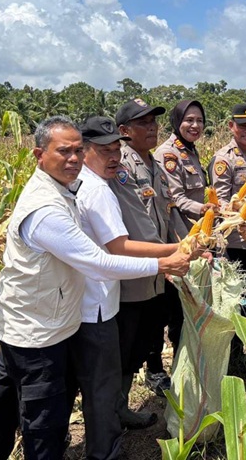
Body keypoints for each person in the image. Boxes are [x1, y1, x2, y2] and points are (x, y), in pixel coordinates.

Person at [0, 116, 190, 460]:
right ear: (39, 154)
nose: (73, 158)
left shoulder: (66, 189)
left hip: (31, 322)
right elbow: (99, 261)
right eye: (65, 151)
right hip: (37, 332)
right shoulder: (47, 209)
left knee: (4, 410)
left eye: (78, 150)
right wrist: (164, 262)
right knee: (44, 422)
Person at [71, 116, 190, 458]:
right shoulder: (101, 185)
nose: (113, 157)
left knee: (137, 346)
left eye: (114, 150)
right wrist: (173, 255)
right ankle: (105, 435)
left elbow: (166, 213)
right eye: (104, 150)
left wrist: (180, 246)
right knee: (112, 360)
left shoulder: (147, 166)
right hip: (123, 282)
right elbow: (120, 244)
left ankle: (115, 416)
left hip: (143, 276)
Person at [116, 99, 188, 396]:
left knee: (153, 324)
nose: (152, 127)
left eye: (153, 121)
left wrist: (191, 244)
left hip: (159, 263)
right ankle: (121, 402)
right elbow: (139, 221)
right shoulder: (122, 166)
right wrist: (175, 252)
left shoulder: (155, 164)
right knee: (130, 336)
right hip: (137, 265)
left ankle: (143, 379)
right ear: (124, 130)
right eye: (143, 123)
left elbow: (168, 213)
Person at [208, 103, 246, 321]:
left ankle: (241, 348)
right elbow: (220, 201)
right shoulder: (224, 159)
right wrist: (239, 220)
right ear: (232, 126)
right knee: (232, 298)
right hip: (232, 242)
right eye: (243, 125)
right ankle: (231, 352)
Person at [154, 100, 217, 227]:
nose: (195, 125)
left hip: (195, 229)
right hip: (179, 231)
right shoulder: (168, 153)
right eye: (189, 120)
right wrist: (202, 209)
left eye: (200, 120)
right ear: (177, 122)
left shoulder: (191, 151)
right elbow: (174, 197)